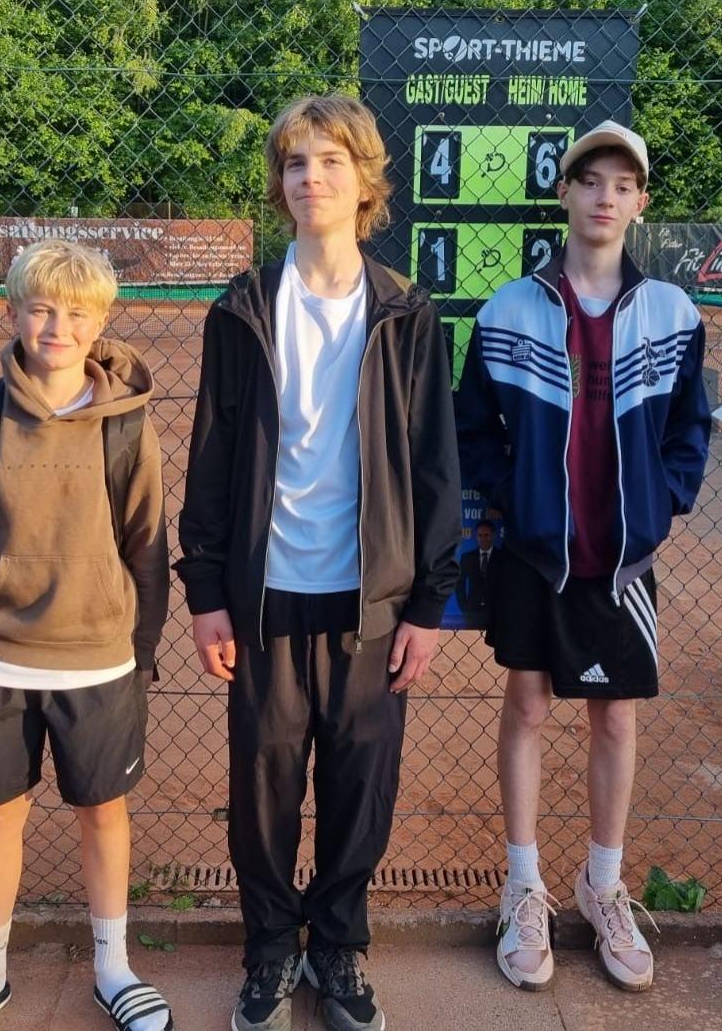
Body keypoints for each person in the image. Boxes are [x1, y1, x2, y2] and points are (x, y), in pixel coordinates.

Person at [175, 94, 460, 1031]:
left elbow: (433, 463)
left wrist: (429, 602)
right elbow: (212, 453)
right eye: (296, 163)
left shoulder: (406, 311)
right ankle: (269, 948)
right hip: (265, 594)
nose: (312, 178)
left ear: (364, 181)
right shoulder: (243, 308)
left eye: (331, 161)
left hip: (370, 599)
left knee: (359, 783)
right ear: (281, 183)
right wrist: (205, 589)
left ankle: (337, 944)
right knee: (261, 784)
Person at [456, 120, 712, 993]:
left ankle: (602, 885)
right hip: (536, 555)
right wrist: (519, 500)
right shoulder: (508, 309)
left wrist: (662, 503)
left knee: (616, 719)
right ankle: (523, 884)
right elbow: (473, 428)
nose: (606, 196)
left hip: (622, 563)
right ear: (563, 192)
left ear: (641, 203)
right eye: (591, 180)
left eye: (623, 184)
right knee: (527, 705)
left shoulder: (673, 313)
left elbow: (690, 430)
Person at [0, 239, 173, 1031]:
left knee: (103, 811)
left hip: (100, 662)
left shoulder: (125, 425)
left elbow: (148, 547)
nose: (58, 327)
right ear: (13, 312)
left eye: (76, 312)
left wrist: (140, 652)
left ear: (101, 321)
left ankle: (114, 967)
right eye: (41, 309)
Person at [454, 519, 502, 629]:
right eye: (480, 535)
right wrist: (464, 607)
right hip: (472, 612)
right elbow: (459, 583)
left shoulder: (502, 557)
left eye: (486, 535)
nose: (483, 539)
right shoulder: (467, 557)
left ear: (493, 535)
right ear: (476, 536)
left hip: (496, 612)